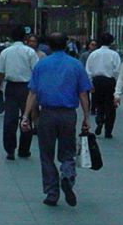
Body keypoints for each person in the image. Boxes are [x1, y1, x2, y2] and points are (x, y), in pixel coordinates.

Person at [21, 32, 91, 207]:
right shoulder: (75, 65)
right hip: (68, 114)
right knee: (67, 151)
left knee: (46, 154)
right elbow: (83, 93)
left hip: (47, 113)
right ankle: (67, 175)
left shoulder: (41, 65)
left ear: (49, 46)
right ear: (66, 44)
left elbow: (33, 92)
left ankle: (52, 192)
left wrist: (25, 116)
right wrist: (87, 117)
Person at [0, 26, 37, 160]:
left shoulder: (6, 52)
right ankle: (24, 150)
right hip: (27, 88)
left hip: (11, 87)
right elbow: (36, 71)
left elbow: (0, 72)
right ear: (25, 37)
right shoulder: (30, 52)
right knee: (26, 117)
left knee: (10, 119)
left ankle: (10, 149)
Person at [86, 33, 121, 138]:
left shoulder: (93, 54)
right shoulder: (114, 54)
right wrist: (118, 85)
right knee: (110, 107)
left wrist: (90, 83)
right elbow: (117, 71)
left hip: (97, 81)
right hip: (109, 82)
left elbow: (88, 70)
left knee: (99, 104)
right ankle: (108, 131)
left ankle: (99, 120)